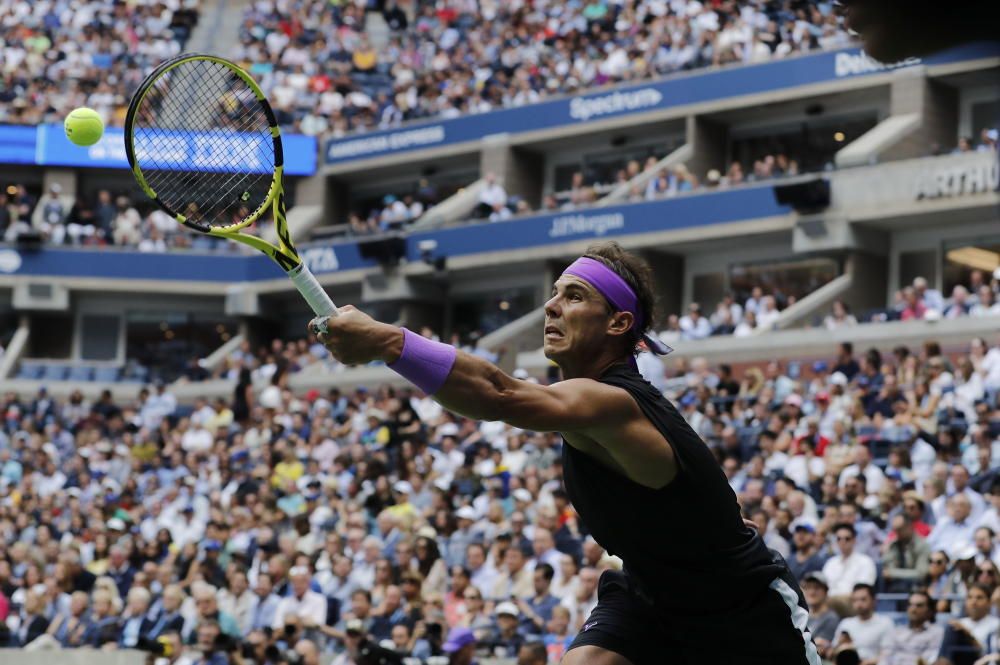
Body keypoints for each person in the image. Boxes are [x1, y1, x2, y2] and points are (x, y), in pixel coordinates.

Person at [314, 241, 819, 664]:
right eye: (553, 294)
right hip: (649, 595)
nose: (551, 306)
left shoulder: (616, 403)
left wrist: (387, 341)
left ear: (619, 324)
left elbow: (500, 394)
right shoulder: (584, 403)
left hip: (743, 614)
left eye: (573, 296)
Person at [831, 584, 893, 665]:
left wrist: (868, 662)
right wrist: (840, 644)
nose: (859, 604)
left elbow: (888, 654)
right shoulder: (845, 623)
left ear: (874, 601)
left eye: (863, 599)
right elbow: (833, 652)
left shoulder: (885, 623)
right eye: (855, 600)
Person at [878, 590, 944, 665]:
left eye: (919, 605)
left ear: (929, 610)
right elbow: (885, 657)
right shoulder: (896, 631)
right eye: (910, 605)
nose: (913, 609)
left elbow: (929, 660)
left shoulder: (936, 633)